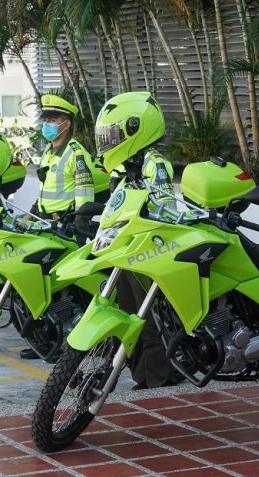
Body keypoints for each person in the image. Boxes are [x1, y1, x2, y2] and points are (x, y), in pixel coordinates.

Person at [92, 91, 178, 388]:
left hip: (146, 249)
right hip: (123, 247)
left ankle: (157, 375)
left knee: (146, 317)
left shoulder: (155, 164)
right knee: (128, 313)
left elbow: (166, 209)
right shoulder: (123, 167)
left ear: (136, 129)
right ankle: (140, 372)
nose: (108, 142)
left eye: (113, 135)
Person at [18, 94, 97, 359]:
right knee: (40, 284)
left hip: (65, 228)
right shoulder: (49, 153)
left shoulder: (77, 154)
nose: (47, 124)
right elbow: (43, 194)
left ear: (66, 123)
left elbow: (84, 198)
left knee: (62, 290)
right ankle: (45, 340)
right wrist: (26, 218)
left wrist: (76, 229)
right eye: (46, 119)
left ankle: (63, 343)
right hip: (45, 226)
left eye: (53, 119)